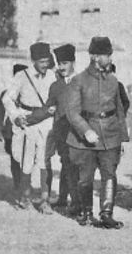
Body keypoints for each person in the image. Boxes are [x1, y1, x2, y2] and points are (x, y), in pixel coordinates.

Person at [65, 36, 129, 228]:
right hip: (85, 139)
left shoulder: (113, 80)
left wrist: (121, 139)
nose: (109, 59)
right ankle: (85, 212)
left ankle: (106, 214)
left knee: (109, 174)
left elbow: (119, 110)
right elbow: (72, 112)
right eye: (106, 55)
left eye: (109, 55)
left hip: (110, 135)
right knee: (85, 178)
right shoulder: (78, 81)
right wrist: (86, 131)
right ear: (94, 57)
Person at [2, 42, 57, 212]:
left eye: (47, 61)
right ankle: (24, 196)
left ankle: (44, 200)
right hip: (27, 121)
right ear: (33, 60)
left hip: (46, 121)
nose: (45, 65)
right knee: (25, 159)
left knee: (44, 160)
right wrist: (16, 116)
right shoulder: (21, 76)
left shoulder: (52, 76)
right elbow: (7, 99)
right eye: (41, 61)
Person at [46, 44, 78, 214]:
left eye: (65, 63)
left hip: (78, 133)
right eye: (59, 63)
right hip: (61, 132)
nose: (61, 67)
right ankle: (64, 198)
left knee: (75, 166)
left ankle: (75, 201)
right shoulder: (55, 86)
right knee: (66, 163)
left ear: (73, 62)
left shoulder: (82, 82)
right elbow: (49, 105)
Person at [0, 65, 27, 189]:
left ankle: (24, 183)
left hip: (27, 130)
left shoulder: (31, 94)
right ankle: (18, 183)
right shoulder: (7, 93)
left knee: (27, 159)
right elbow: (0, 113)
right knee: (15, 159)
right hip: (10, 131)